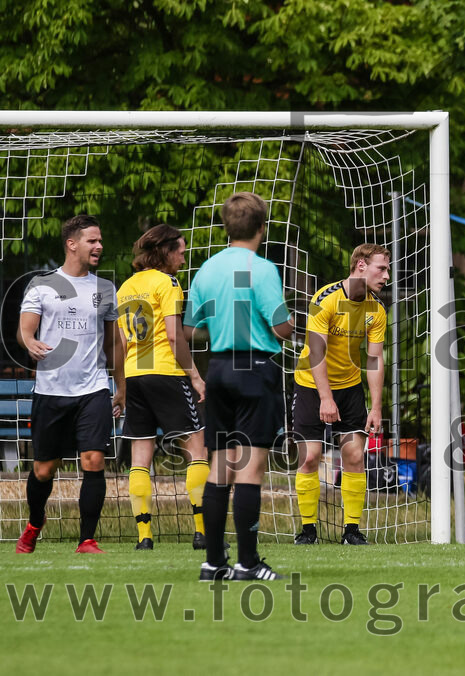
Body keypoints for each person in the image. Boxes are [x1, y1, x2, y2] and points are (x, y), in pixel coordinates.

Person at [184, 192, 293, 581]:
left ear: (227, 227)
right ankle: (247, 562)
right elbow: (281, 327)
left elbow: (190, 330)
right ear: (262, 228)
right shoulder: (262, 268)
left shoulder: (207, 269)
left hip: (219, 369)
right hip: (254, 369)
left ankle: (214, 563)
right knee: (249, 470)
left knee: (219, 468)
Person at [15, 214, 124, 554]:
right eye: (92, 240)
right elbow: (25, 330)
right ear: (72, 244)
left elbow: (113, 344)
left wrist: (121, 386)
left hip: (93, 390)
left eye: (100, 240)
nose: (99, 246)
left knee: (93, 460)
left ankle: (87, 539)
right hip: (51, 392)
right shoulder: (42, 285)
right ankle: (35, 522)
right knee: (44, 470)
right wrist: (29, 342)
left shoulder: (105, 288)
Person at [117, 224, 209, 551]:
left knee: (140, 458)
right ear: (167, 252)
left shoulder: (126, 286)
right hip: (165, 372)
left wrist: (123, 387)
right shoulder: (167, 283)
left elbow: (123, 343)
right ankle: (202, 532)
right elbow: (174, 336)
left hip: (135, 374)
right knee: (197, 450)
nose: (183, 259)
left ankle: (144, 538)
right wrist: (195, 376)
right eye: (181, 253)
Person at [291, 243, 389, 546]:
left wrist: (376, 407)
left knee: (354, 455)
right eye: (381, 268)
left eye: (387, 269)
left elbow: (374, 359)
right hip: (311, 384)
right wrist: (325, 398)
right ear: (360, 265)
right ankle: (308, 531)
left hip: (349, 387)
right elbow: (316, 352)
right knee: (310, 457)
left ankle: (351, 531)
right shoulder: (326, 299)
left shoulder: (376, 309)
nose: (387, 275)